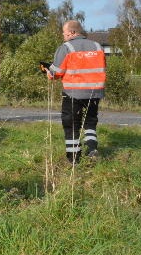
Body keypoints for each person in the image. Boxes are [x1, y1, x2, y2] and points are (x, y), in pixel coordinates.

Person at [43, 20, 106, 164]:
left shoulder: (67, 47)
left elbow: (57, 72)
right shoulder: (98, 46)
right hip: (95, 92)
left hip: (73, 93)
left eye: (64, 33)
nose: (63, 36)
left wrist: (48, 71)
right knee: (90, 122)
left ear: (71, 32)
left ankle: (73, 160)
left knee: (71, 124)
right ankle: (91, 148)